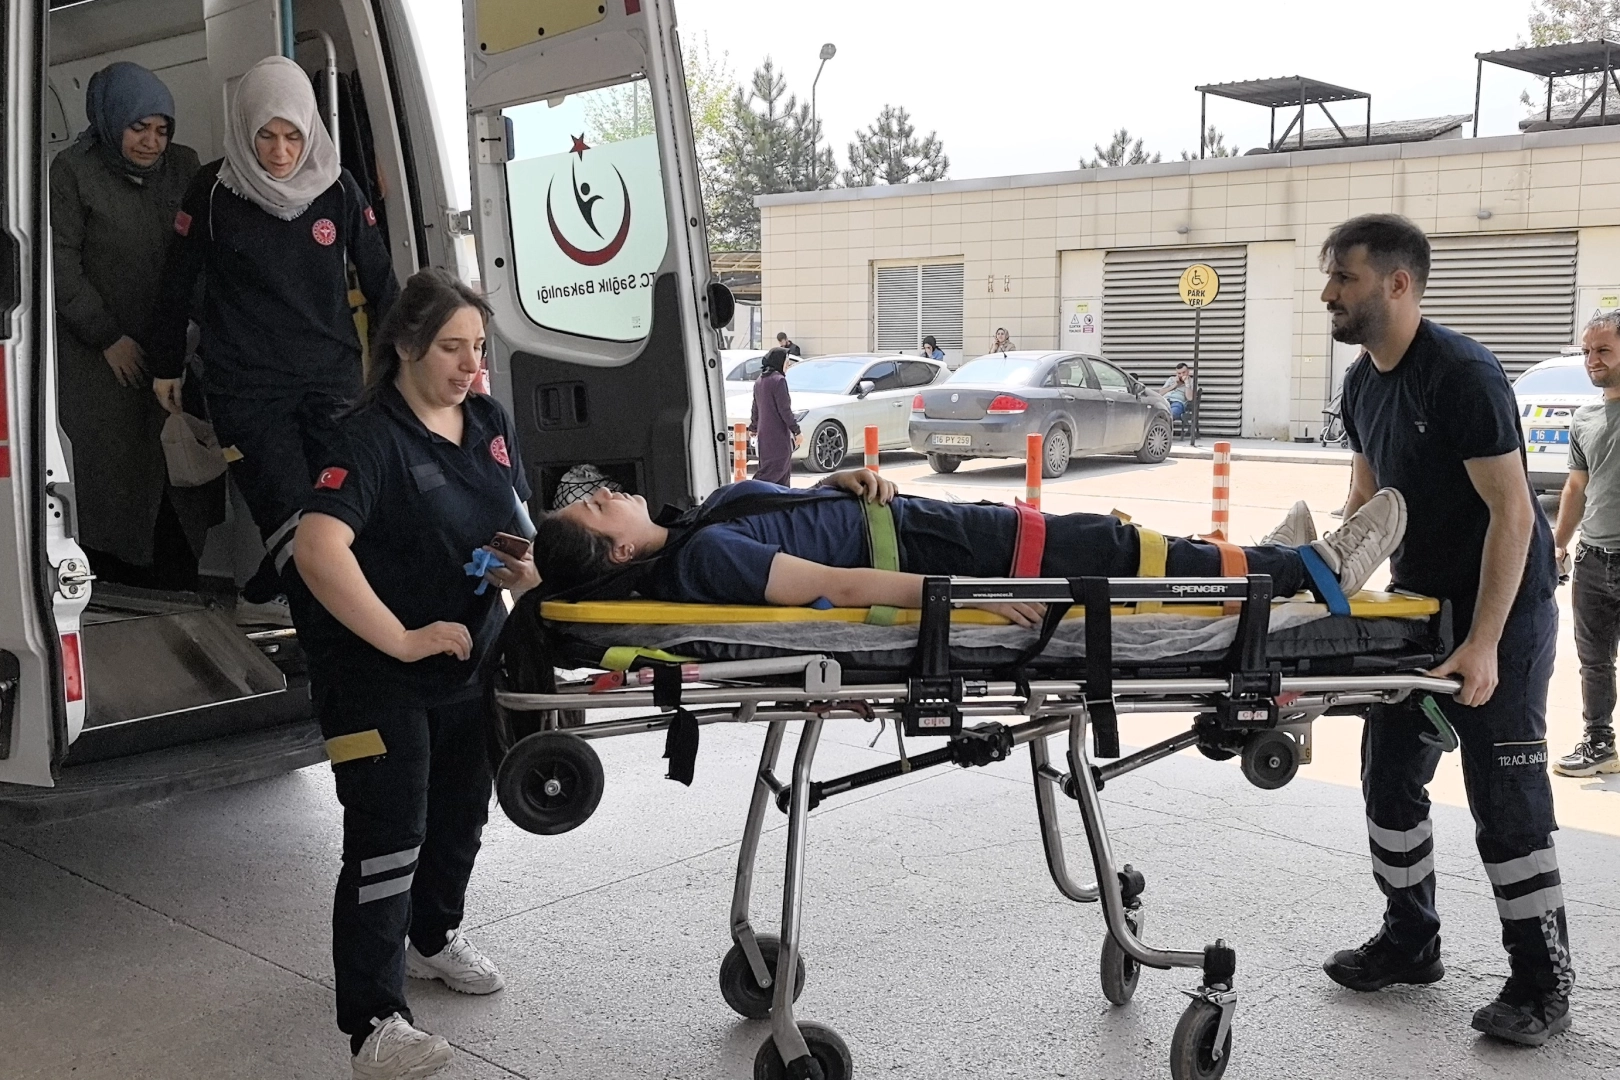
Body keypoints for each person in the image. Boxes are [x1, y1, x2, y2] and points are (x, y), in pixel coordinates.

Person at [1318, 213, 1572, 1046]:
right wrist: (1317, 600)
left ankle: (1541, 982)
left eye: (1344, 277)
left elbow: (1513, 514)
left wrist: (1487, 641)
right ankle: (1410, 940)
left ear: (1397, 283)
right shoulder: (1362, 383)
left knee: (1506, 801)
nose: (1328, 293)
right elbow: (1365, 504)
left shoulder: (1461, 373)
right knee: (1389, 777)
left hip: (1503, 617)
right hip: (1419, 614)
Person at [292, 268, 539, 1080]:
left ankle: (431, 937)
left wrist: (525, 573)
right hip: (374, 673)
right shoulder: (368, 438)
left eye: (478, 347)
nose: (470, 365)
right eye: (451, 348)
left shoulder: (488, 420)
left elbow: (517, 520)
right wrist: (400, 639)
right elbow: (318, 549)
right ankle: (373, 1023)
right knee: (388, 836)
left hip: (468, 655)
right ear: (404, 345)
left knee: (461, 813)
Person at [145, 55, 399, 610]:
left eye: (292, 136)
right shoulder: (212, 190)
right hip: (248, 388)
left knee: (339, 513)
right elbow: (176, 282)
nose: (280, 152)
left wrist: (405, 365)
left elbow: (382, 282)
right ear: (245, 129)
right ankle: (325, 636)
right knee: (288, 516)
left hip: (331, 382)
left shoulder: (337, 187)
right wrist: (165, 365)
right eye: (266, 136)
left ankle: (275, 594)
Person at [534, 468, 1404, 616]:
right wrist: (967, 599)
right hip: (937, 556)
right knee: (1109, 550)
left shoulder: (701, 521)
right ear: (620, 554)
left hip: (921, 525)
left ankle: (1257, 561)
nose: (603, 494)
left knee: (1102, 538)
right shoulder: (701, 559)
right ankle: (1308, 572)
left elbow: (790, 513)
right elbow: (838, 584)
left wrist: (837, 482)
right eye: (596, 513)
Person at [50, 62, 209, 589]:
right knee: (113, 482)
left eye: (162, 130)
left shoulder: (184, 167)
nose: (151, 142)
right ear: (111, 120)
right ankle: (112, 592)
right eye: (138, 128)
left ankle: (180, 587)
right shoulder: (73, 173)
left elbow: (201, 251)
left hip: (173, 349)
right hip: (101, 362)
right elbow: (60, 267)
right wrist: (107, 337)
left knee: (179, 477)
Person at [1552, 311, 1620, 777]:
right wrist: (1557, 546)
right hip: (1593, 559)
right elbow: (1576, 487)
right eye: (1587, 351)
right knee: (1594, 662)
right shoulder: (1585, 417)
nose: (1592, 360)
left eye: (1603, 350)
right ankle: (1599, 744)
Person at [748, 347, 800, 485]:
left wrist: (753, 427)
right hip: (778, 437)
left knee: (771, 471)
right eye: (786, 361)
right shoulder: (779, 381)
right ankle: (751, 491)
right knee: (775, 473)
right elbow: (785, 410)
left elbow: (755, 407)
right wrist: (796, 431)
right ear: (779, 361)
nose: (788, 364)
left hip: (764, 437)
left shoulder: (760, 380)